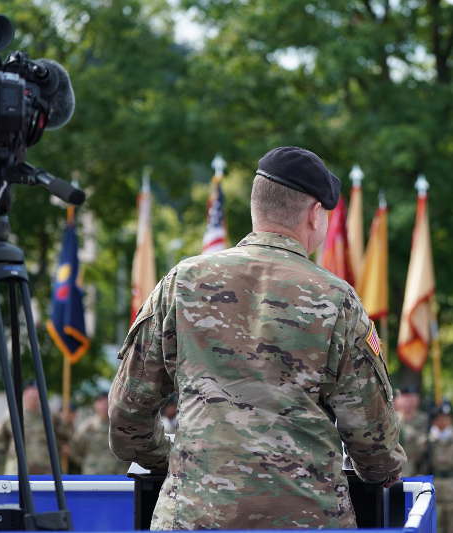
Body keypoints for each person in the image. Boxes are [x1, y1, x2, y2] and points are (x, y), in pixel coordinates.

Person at [109, 146, 405, 530]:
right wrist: (382, 473)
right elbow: (374, 442)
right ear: (315, 214)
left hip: (194, 517)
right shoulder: (336, 300)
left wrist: (185, 462)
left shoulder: (181, 284)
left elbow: (126, 420)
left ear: (256, 207)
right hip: (306, 519)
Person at [417, 401, 453, 533]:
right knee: (435, 527)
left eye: (447, 418)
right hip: (434, 489)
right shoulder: (426, 441)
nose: (444, 421)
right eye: (440, 418)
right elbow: (418, 466)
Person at [0, 382, 54, 475]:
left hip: (43, 469)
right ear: (25, 396)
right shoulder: (12, 415)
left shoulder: (48, 417)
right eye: (32, 397)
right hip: (17, 469)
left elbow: (59, 438)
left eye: (37, 398)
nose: (35, 400)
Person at [70, 392, 128, 475]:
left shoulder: (123, 427)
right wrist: (87, 463)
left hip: (118, 476)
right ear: (95, 405)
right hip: (93, 476)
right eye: (101, 403)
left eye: (107, 402)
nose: (104, 406)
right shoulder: (87, 428)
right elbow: (75, 450)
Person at [395, 386, 428, 477]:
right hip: (394, 467)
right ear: (397, 401)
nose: (408, 403)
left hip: (417, 468)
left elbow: (425, 444)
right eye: (405, 399)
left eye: (411, 399)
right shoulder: (392, 419)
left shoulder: (424, 419)